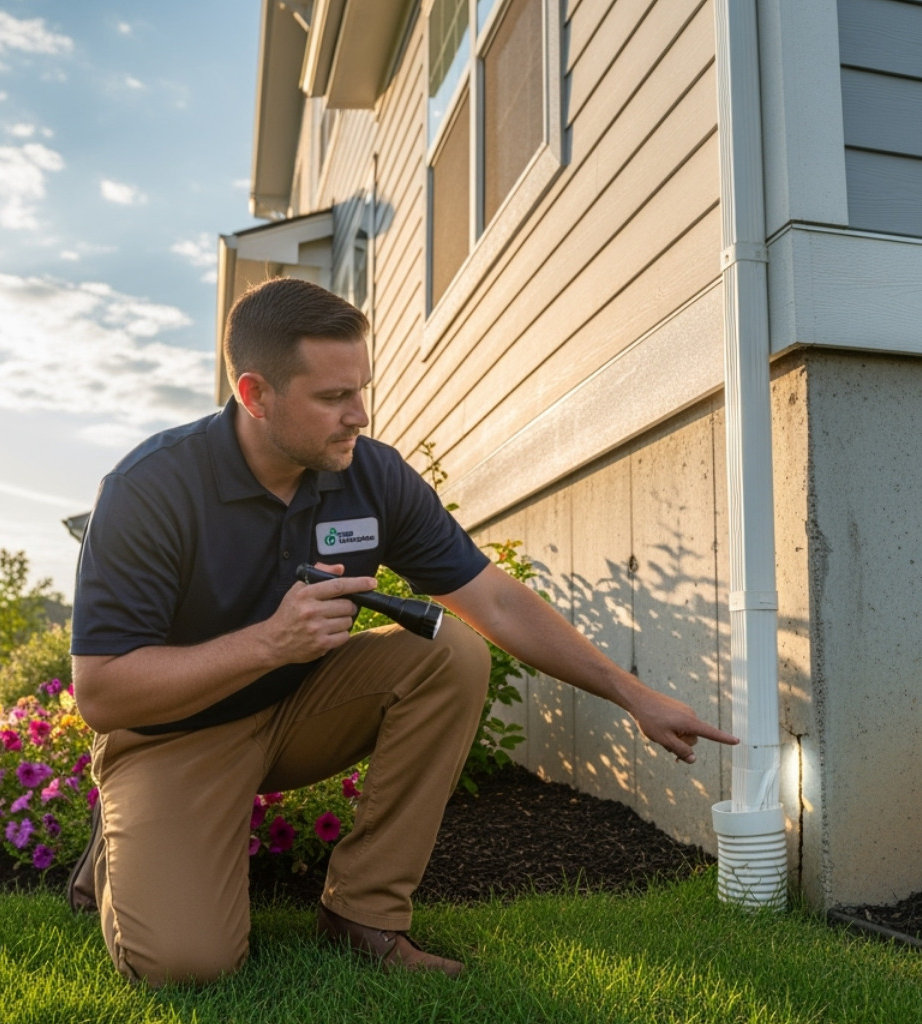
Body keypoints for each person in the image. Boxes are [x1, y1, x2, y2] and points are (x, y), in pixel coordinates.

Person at [67, 276, 737, 986]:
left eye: (362, 391)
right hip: (175, 732)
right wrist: (269, 642)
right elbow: (103, 695)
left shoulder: (370, 475)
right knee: (187, 965)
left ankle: (363, 915)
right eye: (332, 398)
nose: (358, 416)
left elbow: (496, 604)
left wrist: (631, 695)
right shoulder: (152, 488)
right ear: (256, 395)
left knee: (451, 650)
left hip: (296, 710)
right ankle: (126, 841)